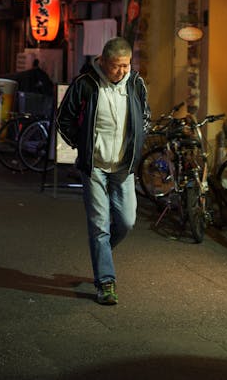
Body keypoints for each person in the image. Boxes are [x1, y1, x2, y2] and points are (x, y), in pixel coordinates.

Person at [56, 37, 150, 306]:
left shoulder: (135, 83)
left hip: (123, 165)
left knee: (127, 222)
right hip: (95, 166)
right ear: (103, 61)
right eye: (116, 66)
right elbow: (64, 119)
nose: (122, 71)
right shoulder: (85, 83)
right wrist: (83, 145)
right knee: (99, 226)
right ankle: (106, 282)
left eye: (126, 65)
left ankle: (102, 252)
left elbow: (145, 115)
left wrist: (138, 140)